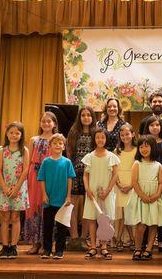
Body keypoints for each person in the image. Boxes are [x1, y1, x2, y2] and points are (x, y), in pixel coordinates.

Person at [125, 135, 162, 261]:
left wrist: (156, 195)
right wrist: (143, 196)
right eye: (141, 147)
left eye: (146, 146)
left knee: (153, 223)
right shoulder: (137, 164)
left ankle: (148, 249)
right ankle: (138, 248)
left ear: (153, 147)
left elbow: (161, 182)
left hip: (154, 198)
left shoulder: (158, 165)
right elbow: (134, 182)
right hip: (140, 197)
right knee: (141, 224)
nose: (144, 149)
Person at [0, 122, 30, 259]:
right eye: (11, 132)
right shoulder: (2, 150)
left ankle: (13, 246)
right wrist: (3, 186)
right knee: (4, 217)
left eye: (17, 133)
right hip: (4, 187)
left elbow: (26, 170)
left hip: (18, 187)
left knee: (15, 217)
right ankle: (4, 246)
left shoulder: (24, 150)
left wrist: (16, 188)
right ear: (7, 134)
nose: (14, 135)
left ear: (21, 135)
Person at [82, 128, 120, 260]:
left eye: (102, 137)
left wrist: (108, 190)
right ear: (94, 139)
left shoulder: (112, 157)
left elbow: (115, 175)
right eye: (97, 137)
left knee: (105, 219)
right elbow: (85, 175)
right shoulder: (89, 156)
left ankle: (104, 247)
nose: (100, 140)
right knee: (92, 219)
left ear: (106, 139)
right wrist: (87, 189)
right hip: (92, 193)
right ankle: (93, 246)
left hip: (107, 193)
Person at [25, 112, 58, 255]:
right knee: (33, 207)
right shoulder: (34, 140)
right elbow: (28, 161)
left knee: (48, 208)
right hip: (34, 174)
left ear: (54, 124)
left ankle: (47, 243)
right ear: (40, 123)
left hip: (50, 176)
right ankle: (35, 243)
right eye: (43, 121)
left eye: (49, 121)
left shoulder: (57, 139)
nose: (46, 124)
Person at [38, 133, 76, 259]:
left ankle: (59, 250)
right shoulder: (46, 162)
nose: (57, 145)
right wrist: (44, 194)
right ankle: (47, 249)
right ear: (50, 146)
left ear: (64, 147)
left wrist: (68, 196)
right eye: (54, 143)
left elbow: (70, 179)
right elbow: (42, 179)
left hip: (63, 200)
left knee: (61, 226)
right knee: (48, 225)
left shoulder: (67, 162)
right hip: (48, 199)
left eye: (60, 143)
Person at [66, 106, 95, 250]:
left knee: (88, 207)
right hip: (75, 172)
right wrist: (70, 170)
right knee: (71, 205)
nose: (86, 118)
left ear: (92, 117)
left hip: (91, 173)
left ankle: (84, 238)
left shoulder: (96, 132)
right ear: (80, 117)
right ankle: (74, 238)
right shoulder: (74, 132)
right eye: (83, 115)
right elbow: (69, 152)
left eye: (88, 115)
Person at [142, 116, 162, 251]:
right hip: (147, 182)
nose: (155, 127)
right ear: (147, 127)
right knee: (146, 214)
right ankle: (146, 242)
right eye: (152, 125)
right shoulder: (144, 143)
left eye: (157, 125)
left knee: (161, 213)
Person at [114, 123, 138, 252]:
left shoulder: (137, 150)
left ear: (133, 134)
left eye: (127, 134)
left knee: (129, 213)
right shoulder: (116, 151)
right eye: (122, 135)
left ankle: (132, 239)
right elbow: (114, 169)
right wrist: (118, 184)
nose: (125, 137)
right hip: (119, 185)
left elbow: (138, 169)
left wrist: (130, 186)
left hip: (132, 185)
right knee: (121, 214)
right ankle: (119, 240)